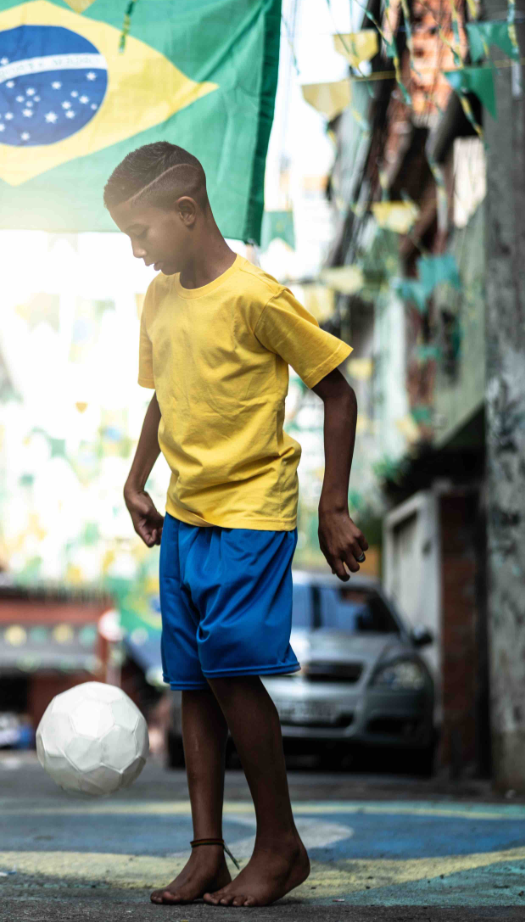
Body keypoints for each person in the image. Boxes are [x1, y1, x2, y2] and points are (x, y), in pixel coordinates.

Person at [107, 142, 367, 908]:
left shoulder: (258, 296)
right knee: (190, 675)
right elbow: (165, 394)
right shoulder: (157, 301)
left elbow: (339, 393)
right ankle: (207, 849)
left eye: (142, 232)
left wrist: (333, 504)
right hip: (186, 515)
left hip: (251, 511)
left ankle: (281, 844)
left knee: (227, 667)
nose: (136, 250)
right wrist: (135, 479)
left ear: (187, 214)